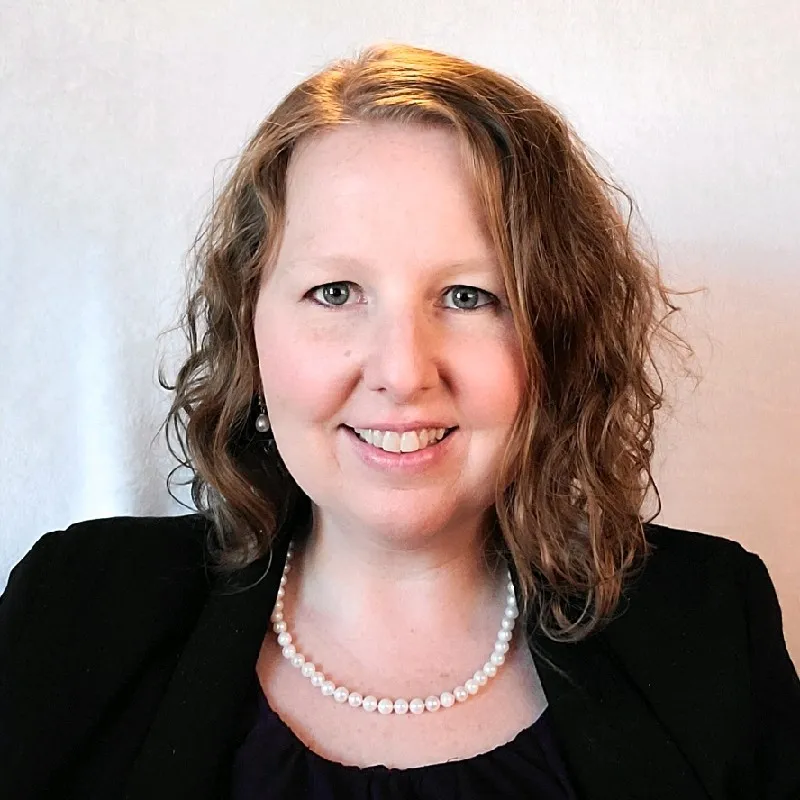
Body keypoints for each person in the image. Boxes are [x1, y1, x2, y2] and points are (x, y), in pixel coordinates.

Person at [1, 42, 798, 800]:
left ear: (555, 334)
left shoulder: (711, 627)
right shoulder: (76, 614)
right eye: (336, 292)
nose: (403, 372)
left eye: (468, 296)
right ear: (252, 325)